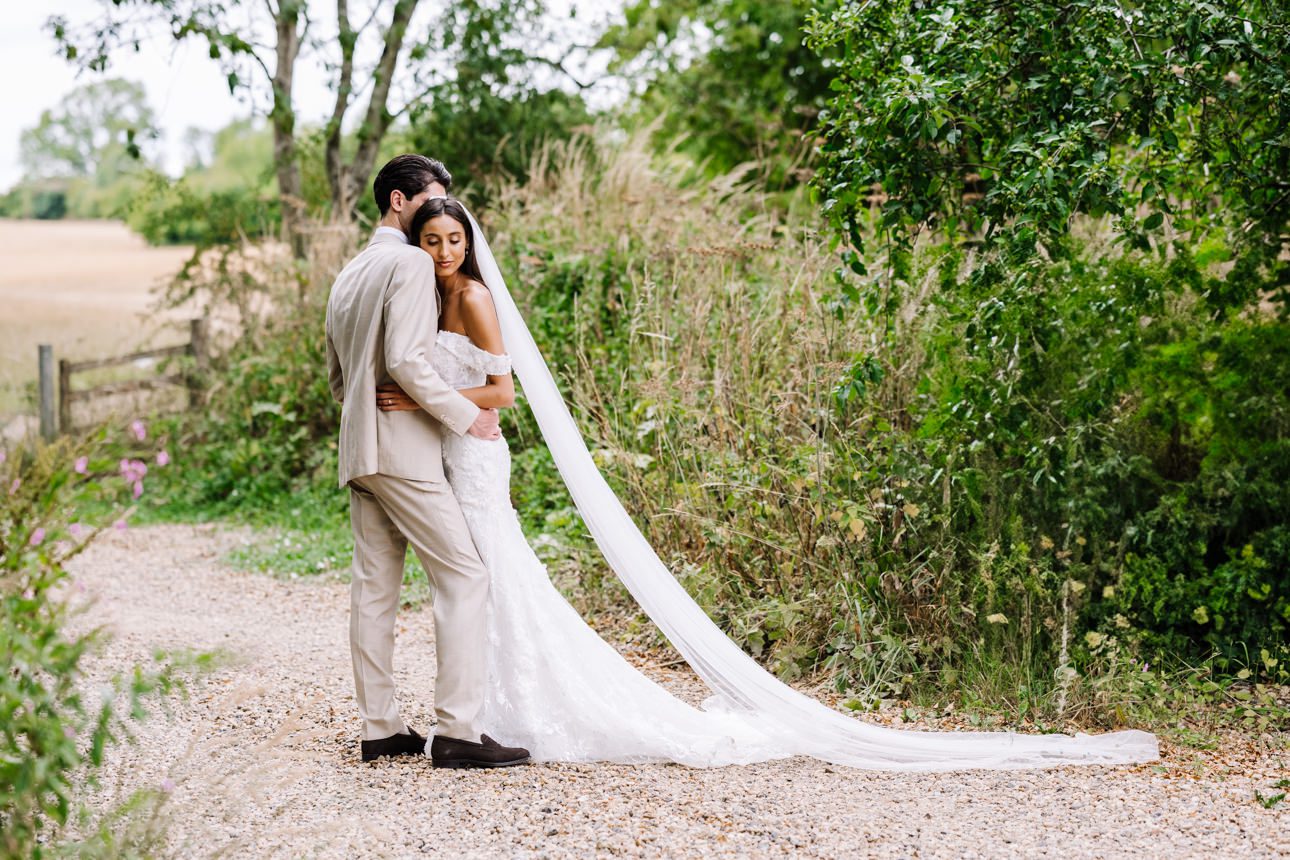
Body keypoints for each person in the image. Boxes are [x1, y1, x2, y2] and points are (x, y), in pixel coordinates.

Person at [373, 194, 1162, 771]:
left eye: (453, 240)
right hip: (451, 455)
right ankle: (483, 712)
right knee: (487, 580)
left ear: (469, 247)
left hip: (478, 459)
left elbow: (503, 395)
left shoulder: (473, 297)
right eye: (433, 240)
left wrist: (419, 398)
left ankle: (498, 716)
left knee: (495, 576)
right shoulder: (431, 293)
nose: (444, 251)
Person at [325, 155, 530, 769]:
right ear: (398, 200)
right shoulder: (410, 262)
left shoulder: (350, 272)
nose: (439, 213)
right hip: (404, 450)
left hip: (358, 448)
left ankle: (381, 727)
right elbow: (409, 360)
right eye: (433, 199)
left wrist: (373, 409)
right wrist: (469, 416)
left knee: (374, 587)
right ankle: (458, 731)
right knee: (465, 576)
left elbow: (340, 379)